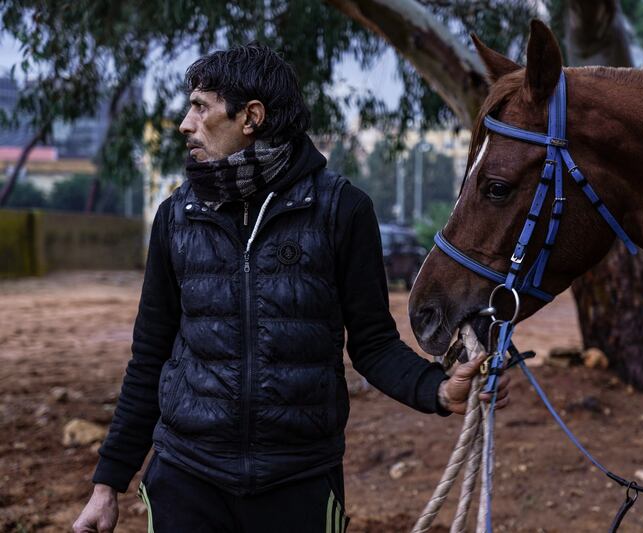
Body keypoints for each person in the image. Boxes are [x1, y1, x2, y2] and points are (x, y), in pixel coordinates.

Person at [72, 42, 509, 533]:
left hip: (299, 478)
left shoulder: (341, 210)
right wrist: (107, 484)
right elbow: (151, 354)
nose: (185, 124)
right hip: (186, 475)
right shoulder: (176, 216)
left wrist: (437, 389)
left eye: (200, 107)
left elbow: (372, 343)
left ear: (251, 117)